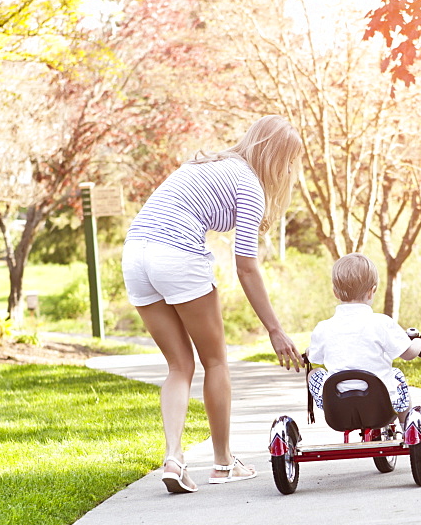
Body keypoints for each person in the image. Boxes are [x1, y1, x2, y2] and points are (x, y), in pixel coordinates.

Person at [122, 115, 303, 493]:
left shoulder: (206, 163)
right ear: (278, 158)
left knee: (178, 365)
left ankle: (174, 457)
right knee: (215, 361)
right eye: (290, 162)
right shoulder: (250, 185)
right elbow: (246, 267)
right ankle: (223, 463)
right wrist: (275, 329)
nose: (290, 170)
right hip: (175, 254)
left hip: (135, 253)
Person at [306, 253, 421, 425]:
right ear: (372, 291)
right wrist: (420, 343)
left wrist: (309, 350)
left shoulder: (323, 328)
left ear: (335, 293)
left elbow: (314, 358)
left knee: (314, 373)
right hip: (381, 405)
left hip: (338, 409)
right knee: (397, 374)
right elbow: (408, 354)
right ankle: (407, 426)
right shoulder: (382, 323)